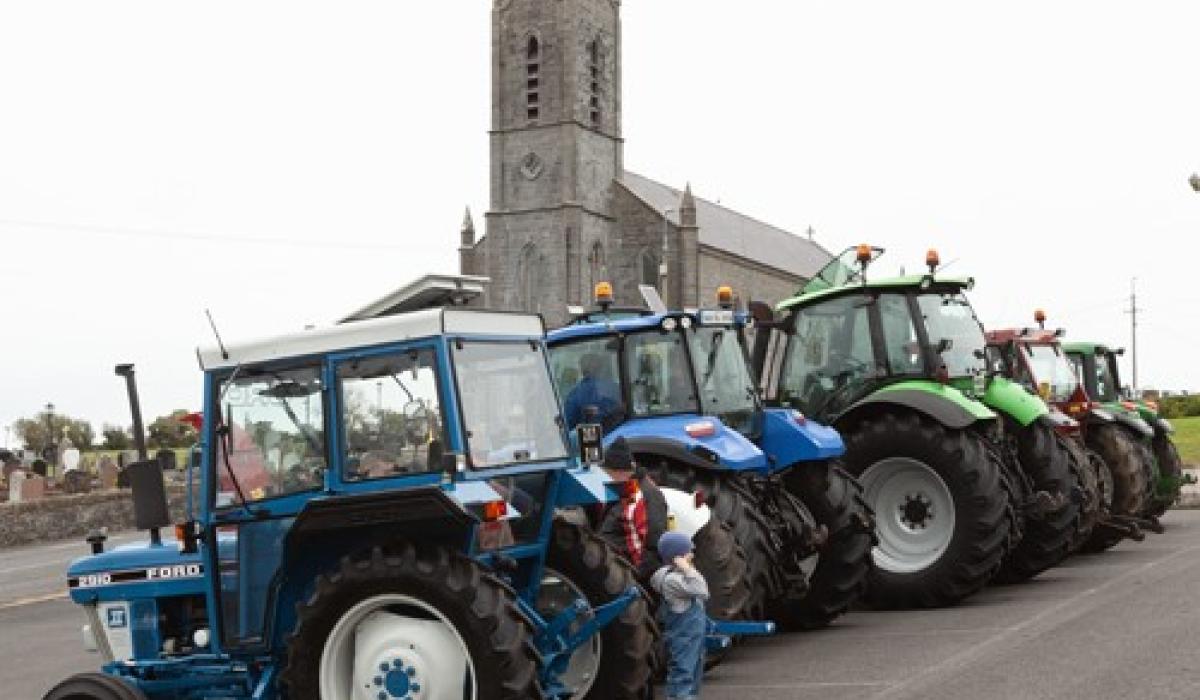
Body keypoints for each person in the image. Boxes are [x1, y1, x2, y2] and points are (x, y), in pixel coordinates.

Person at [596, 437, 669, 579]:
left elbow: (654, 547)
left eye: (606, 472)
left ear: (618, 471)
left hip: (629, 571)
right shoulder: (621, 490)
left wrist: (633, 578)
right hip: (612, 565)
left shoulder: (648, 496)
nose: (604, 477)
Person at [651, 531, 710, 700]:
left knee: (693, 676)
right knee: (683, 676)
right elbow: (702, 590)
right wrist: (687, 569)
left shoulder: (676, 577)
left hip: (693, 639)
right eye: (688, 552)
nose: (692, 555)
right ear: (677, 557)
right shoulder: (673, 581)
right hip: (684, 639)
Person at [562, 353, 622, 429]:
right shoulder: (614, 387)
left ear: (582, 369)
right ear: (600, 368)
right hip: (616, 433)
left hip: (587, 437)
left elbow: (568, 423)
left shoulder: (574, 394)